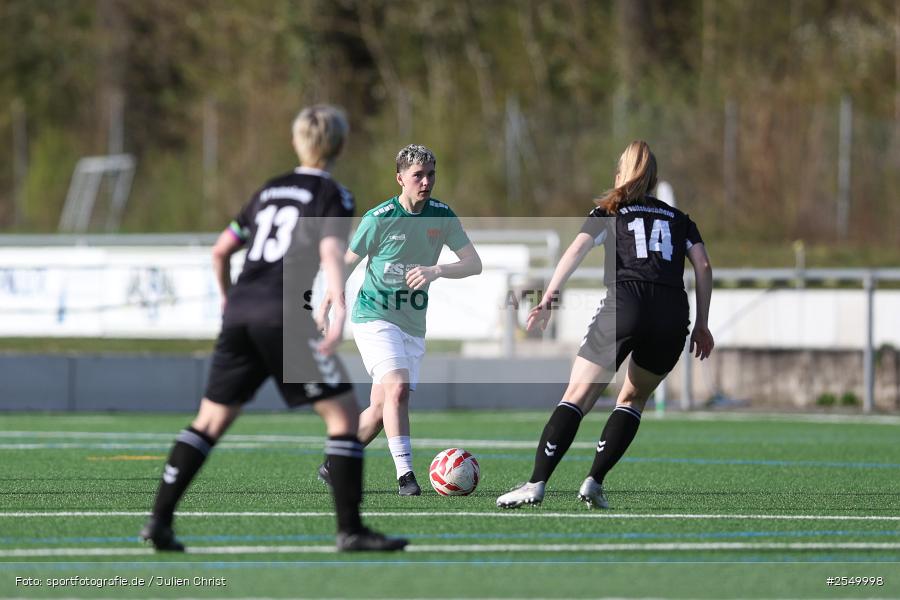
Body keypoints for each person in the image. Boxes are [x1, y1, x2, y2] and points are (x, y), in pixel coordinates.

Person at [140, 105, 407, 552]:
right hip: (282, 314)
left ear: (297, 143)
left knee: (209, 420)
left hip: (241, 311)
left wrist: (229, 301)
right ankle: (351, 530)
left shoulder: (267, 190)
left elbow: (220, 252)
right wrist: (338, 310)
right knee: (343, 417)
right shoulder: (334, 195)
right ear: (340, 146)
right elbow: (329, 253)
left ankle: (159, 522)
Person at [496, 140, 714, 509]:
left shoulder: (609, 210)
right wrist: (703, 325)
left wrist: (549, 296)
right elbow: (704, 267)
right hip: (672, 313)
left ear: (620, 175)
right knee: (633, 399)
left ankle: (536, 483)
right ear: (655, 180)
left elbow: (576, 250)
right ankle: (594, 481)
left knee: (577, 396)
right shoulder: (680, 219)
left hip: (626, 304)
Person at [318, 144, 482, 495]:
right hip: (374, 316)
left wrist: (436, 269)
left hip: (412, 324)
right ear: (400, 179)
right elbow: (344, 265)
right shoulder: (378, 218)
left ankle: (337, 461)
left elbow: (473, 263)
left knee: (380, 409)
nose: (426, 182)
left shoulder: (442, 215)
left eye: (431, 174)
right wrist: (325, 306)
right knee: (398, 388)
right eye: (418, 176)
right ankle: (405, 477)